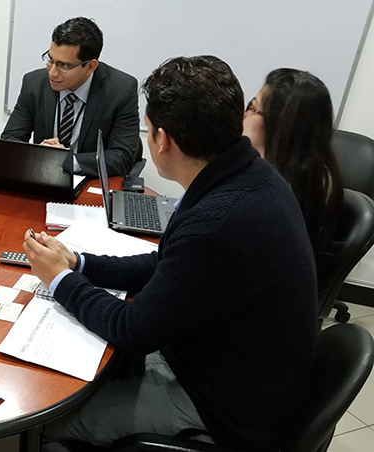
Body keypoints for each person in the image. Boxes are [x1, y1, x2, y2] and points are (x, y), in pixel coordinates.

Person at [23, 56, 318, 451]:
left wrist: (60, 280)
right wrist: (80, 263)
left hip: (221, 411)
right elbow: (167, 263)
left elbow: (132, 330)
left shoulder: (218, 224)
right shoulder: (247, 174)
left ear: (162, 140)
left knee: (51, 421)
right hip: (225, 366)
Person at [1, 17, 140, 177]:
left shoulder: (121, 90)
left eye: (64, 65)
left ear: (90, 66)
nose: (52, 72)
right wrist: (40, 153)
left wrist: (66, 160)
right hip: (43, 178)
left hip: (88, 182)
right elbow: (9, 140)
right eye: (50, 60)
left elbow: (122, 157)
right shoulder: (33, 83)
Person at [243, 68, 344, 251]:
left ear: (278, 123)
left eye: (252, 108)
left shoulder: (293, 185)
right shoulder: (280, 168)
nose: (244, 114)